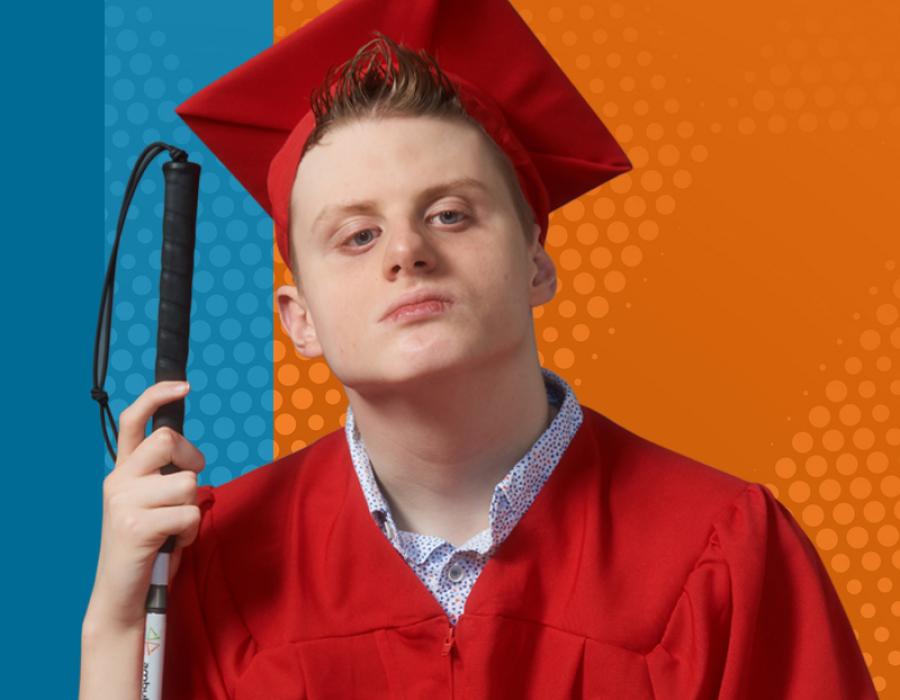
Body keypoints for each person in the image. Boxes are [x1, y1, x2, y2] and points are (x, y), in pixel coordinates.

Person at [81, 1, 879, 698]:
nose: (406, 251)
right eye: (357, 235)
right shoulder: (213, 561)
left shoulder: (722, 548)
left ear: (536, 260)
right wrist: (115, 626)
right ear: (300, 321)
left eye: (452, 214)